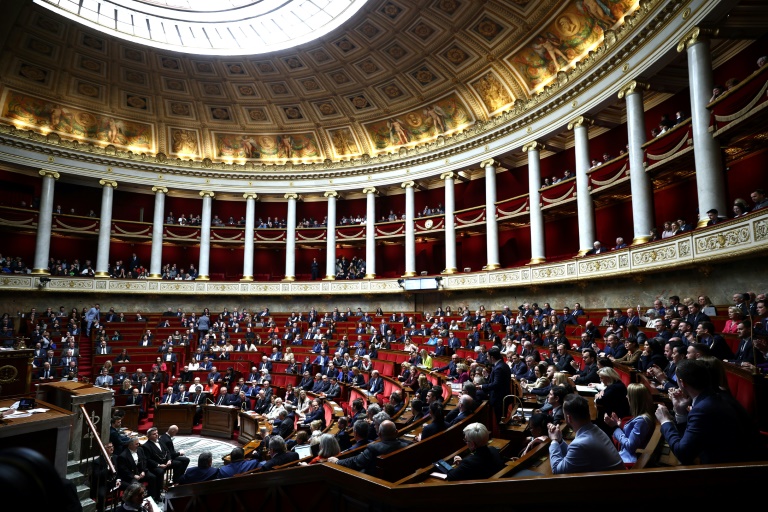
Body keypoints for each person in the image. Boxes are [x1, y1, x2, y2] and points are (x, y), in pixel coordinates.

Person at [655, 359, 762, 464]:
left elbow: (684, 455)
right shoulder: (714, 397)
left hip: (730, 471)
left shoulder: (703, 409)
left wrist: (665, 421)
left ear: (682, 383)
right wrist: (680, 412)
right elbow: (688, 443)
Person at [548, 394, 625, 474]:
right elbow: (574, 455)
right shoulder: (595, 429)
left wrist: (554, 440)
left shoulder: (580, 444)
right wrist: (560, 441)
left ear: (568, 418)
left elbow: (557, 471)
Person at [328, 420, 409, 475]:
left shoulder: (374, 448)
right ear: (397, 432)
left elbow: (356, 462)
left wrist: (337, 462)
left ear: (379, 434)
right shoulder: (406, 446)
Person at [604, 383, 655, 465]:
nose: (626, 397)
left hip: (628, 460)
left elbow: (630, 446)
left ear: (634, 399)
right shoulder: (643, 416)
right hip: (624, 455)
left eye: (629, 395)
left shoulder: (642, 420)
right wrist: (620, 425)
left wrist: (615, 427)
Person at [117, 437, 160, 502]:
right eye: (136, 444)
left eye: (138, 443)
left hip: (141, 472)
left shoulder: (140, 450)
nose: (138, 445)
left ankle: (152, 498)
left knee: (152, 477)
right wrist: (133, 476)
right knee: (136, 486)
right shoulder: (123, 456)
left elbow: (144, 460)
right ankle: (138, 501)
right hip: (131, 476)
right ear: (130, 445)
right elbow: (124, 470)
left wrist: (143, 471)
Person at [478, 346, 511, 424]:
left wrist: (481, 386)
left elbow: (496, 384)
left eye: (487, 357)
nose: (487, 358)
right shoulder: (501, 365)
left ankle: (501, 435)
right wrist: (487, 376)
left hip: (499, 398)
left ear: (492, 357)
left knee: (500, 420)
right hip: (501, 396)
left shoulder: (499, 367)